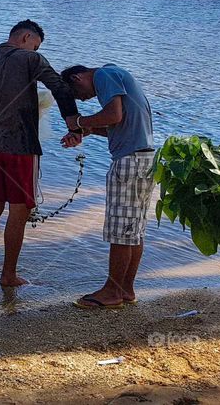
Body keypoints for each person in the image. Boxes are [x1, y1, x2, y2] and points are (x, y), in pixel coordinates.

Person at [0, 20, 80, 286]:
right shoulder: (30, 59)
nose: (36, 49)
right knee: (19, 211)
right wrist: (73, 126)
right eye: (36, 44)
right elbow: (60, 87)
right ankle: (8, 275)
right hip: (21, 145)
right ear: (27, 37)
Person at [60, 64, 155, 309]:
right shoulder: (116, 74)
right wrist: (86, 129)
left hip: (129, 161)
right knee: (133, 229)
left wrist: (77, 120)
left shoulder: (104, 75)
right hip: (144, 159)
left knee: (120, 230)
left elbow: (114, 115)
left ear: (77, 77)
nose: (83, 98)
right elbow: (117, 124)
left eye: (77, 93)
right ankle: (125, 289)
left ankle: (112, 291)